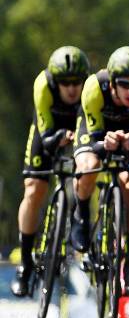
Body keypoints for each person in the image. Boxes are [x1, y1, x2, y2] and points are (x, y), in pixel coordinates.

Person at [11, 46, 90, 297]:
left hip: (80, 130)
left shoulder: (90, 90)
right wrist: (58, 137)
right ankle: (25, 262)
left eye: (76, 82)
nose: (72, 88)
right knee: (34, 188)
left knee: (87, 171)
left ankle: (81, 225)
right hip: (48, 130)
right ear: (55, 81)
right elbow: (45, 137)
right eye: (65, 83)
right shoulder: (43, 85)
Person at [71, 46, 129, 296]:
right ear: (112, 82)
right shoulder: (94, 87)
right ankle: (81, 218)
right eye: (125, 85)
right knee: (89, 166)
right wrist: (104, 143)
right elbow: (92, 138)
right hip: (97, 132)